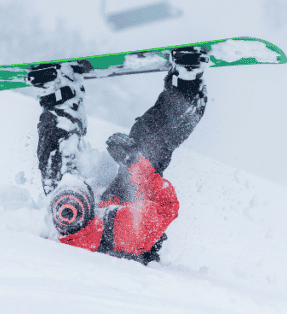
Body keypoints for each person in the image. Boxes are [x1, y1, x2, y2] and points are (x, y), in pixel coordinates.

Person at [26, 47, 209, 264]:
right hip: (126, 212)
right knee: (146, 145)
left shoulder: (60, 221)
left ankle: (60, 97)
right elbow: (167, 205)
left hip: (92, 212)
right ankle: (187, 88)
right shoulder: (126, 232)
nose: (71, 185)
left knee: (57, 165)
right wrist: (134, 162)